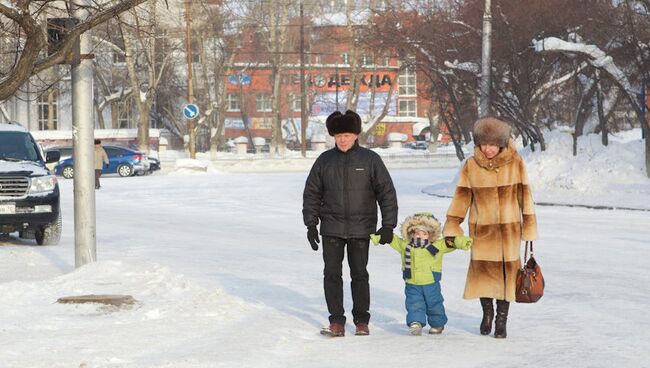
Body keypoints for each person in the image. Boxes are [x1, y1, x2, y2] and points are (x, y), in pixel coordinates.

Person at [303, 110, 398, 337]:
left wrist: (388, 226)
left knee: (359, 274)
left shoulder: (370, 160)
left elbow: (386, 193)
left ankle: (361, 320)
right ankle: (336, 320)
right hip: (332, 228)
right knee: (332, 275)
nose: (343, 139)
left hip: (361, 228)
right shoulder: (324, 161)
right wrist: (311, 224)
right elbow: (311, 194)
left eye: (347, 134)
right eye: (338, 135)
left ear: (356, 135)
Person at [443, 117, 538, 339]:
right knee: (484, 275)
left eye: (493, 144)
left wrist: (529, 225)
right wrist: (453, 224)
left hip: (508, 230)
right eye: (484, 144)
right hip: (482, 230)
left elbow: (525, 195)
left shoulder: (515, 163)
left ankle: (501, 320)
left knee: (507, 275)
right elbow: (462, 197)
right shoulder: (471, 165)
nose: (488, 149)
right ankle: (487, 314)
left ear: (502, 144)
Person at [371, 212, 472, 335]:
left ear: (430, 235)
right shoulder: (405, 246)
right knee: (414, 304)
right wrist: (382, 236)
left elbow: (451, 242)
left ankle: (437, 323)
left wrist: (462, 242)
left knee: (434, 304)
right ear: (411, 234)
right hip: (412, 283)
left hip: (431, 283)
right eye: (417, 233)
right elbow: (393, 240)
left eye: (424, 233)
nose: (420, 236)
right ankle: (415, 323)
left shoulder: (437, 246)